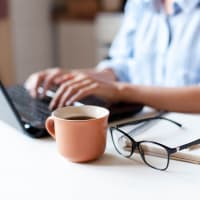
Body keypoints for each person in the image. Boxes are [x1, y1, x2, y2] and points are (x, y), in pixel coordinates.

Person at [25, 0, 200, 113]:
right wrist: (75, 78)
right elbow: (123, 66)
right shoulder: (140, 4)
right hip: (144, 125)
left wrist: (120, 91)